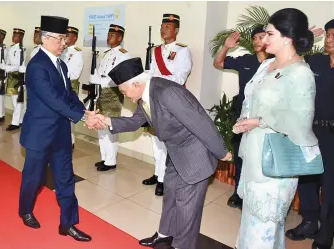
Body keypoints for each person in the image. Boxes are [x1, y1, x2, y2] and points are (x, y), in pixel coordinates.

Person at [91, 57, 231, 249]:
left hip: (194, 154)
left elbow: (201, 122)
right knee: (171, 193)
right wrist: (106, 120)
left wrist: (221, 152)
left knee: (187, 208)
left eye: (124, 91)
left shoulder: (168, 93)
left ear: (137, 83)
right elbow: (134, 122)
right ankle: (165, 235)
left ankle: (182, 245)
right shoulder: (146, 94)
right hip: (176, 152)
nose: (126, 96)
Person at [232, 8, 320, 249]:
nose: (264, 39)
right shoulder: (266, 65)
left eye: (270, 34)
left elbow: (301, 119)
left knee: (266, 226)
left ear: (287, 38)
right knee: (251, 221)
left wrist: (260, 121)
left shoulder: (300, 72)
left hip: (276, 157)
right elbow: (250, 98)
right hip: (254, 151)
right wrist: (245, 120)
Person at [19, 15, 99, 242]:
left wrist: (85, 112)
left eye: (65, 39)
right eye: (60, 39)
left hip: (61, 133)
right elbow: (51, 99)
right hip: (39, 133)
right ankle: (25, 210)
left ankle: (69, 223)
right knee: (33, 178)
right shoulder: (36, 66)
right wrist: (81, 118)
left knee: (65, 179)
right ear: (45, 39)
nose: (64, 43)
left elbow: (68, 94)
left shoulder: (61, 64)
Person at [285, 19, 334, 249]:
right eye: (328, 34)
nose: (329, 39)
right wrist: (304, 39)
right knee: (307, 178)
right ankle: (309, 221)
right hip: (312, 129)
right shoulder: (316, 61)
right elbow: (290, 62)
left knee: (331, 186)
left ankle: (326, 232)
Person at [212, 25, 269, 209]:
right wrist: (226, 46)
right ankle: (238, 193)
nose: (257, 41)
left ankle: (255, 195)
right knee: (240, 156)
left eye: (261, 37)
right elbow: (218, 63)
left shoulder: (277, 63)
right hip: (242, 116)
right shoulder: (246, 60)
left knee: (259, 158)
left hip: (265, 119)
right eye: (254, 38)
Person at [143, 13, 193, 196]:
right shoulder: (156, 50)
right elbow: (150, 74)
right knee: (156, 139)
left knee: (166, 142)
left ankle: (164, 180)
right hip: (156, 99)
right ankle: (157, 174)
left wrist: (157, 79)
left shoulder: (182, 50)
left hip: (172, 100)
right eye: (162, 27)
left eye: (168, 27)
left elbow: (180, 78)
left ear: (176, 30)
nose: (164, 30)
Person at [89, 24, 131, 171]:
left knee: (111, 127)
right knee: (101, 125)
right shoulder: (106, 53)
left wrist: (100, 80)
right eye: (108, 34)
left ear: (120, 37)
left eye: (112, 35)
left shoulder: (123, 54)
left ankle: (111, 161)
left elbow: (121, 77)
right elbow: (101, 72)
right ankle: (104, 157)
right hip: (102, 93)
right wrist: (96, 78)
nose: (108, 37)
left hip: (113, 94)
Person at [61, 26, 84, 147]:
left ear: (75, 38)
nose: (65, 38)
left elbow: (74, 73)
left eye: (68, 36)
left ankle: (71, 141)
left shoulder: (77, 52)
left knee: (69, 115)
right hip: (61, 84)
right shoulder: (62, 50)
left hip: (70, 85)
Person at [4, 28, 27, 131]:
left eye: (16, 36)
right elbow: (9, 61)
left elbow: (18, 65)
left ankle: (15, 122)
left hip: (18, 77)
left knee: (18, 101)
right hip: (11, 76)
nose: (13, 37)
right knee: (15, 100)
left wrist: (6, 68)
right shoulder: (12, 47)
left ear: (21, 37)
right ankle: (20, 120)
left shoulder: (21, 49)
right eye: (13, 35)